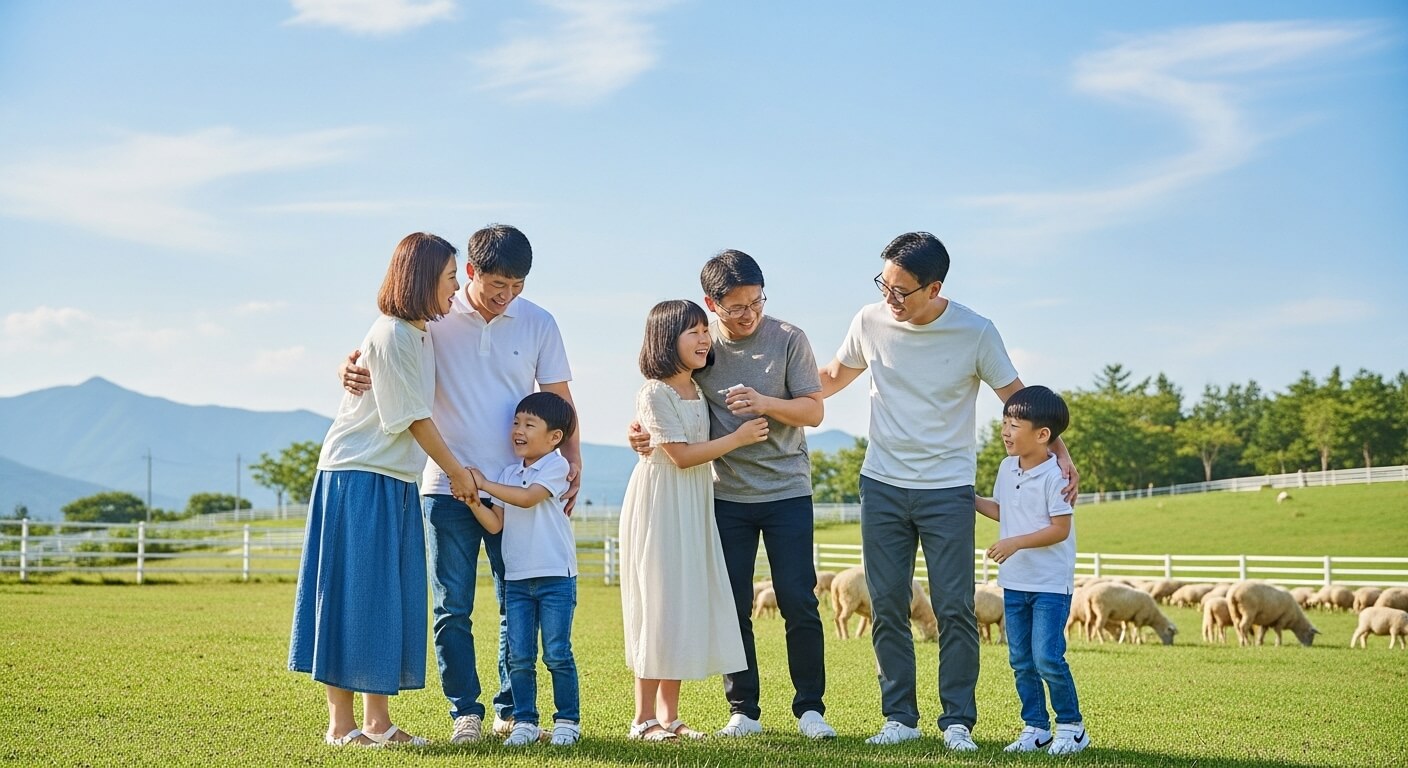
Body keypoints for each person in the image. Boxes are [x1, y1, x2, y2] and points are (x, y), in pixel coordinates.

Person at [819, 232, 1079, 751]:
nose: (889, 299)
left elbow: (1019, 398)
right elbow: (829, 377)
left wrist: (1062, 452)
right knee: (889, 604)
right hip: (883, 485)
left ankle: (957, 721)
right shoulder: (868, 321)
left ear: (934, 287)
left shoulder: (976, 332)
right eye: (884, 286)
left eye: (902, 291)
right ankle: (900, 718)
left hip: (947, 490)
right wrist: (765, 393)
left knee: (955, 607)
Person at [340, 224, 581, 744]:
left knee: (513, 600)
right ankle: (464, 714)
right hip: (443, 484)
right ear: (470, 272)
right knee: (453, 607)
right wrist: (353, 369)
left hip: (512, 488)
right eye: (497, 283)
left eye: (517, 286)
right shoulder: (438, 315)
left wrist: (571, 461)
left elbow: (559, 400)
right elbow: (386, 352)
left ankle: (510, 712)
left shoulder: (539, 322)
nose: (505, 295)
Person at [628, 250, 834, 739]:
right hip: (724, 495)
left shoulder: (788, 339)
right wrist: (639, 433)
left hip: (786, 489)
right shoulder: (700, 346)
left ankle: (810, 709)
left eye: (756, 302)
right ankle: (743, 709)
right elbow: (664, 399)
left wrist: (765, 404)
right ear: (711, 303)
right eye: (737, 306)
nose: (749, 314)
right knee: (733, 602)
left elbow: (814, 412)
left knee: (797, 599)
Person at [289, 232, 478, 747]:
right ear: (421, 279)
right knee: (354, 596)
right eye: (447, 278)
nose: (455, 286)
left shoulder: (416, 333)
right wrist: (458, 474)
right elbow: (413, 418)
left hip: (392, 479)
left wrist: (347, 363)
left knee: (382, 599)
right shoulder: (393, 333)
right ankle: (342, 726)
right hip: (358, 476)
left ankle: (376, 723)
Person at [619, 299, 768, 742]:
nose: (705, 338)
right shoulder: (654, 391)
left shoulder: (696, 389)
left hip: (692, 504)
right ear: (667, 339)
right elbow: (680, 456)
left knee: (680, 604)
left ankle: (669, 716)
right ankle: (642, 718)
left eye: (706, 330)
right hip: (662, 503)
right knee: (659, 603)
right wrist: (739, 439)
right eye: (694, 331)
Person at [461, 392, 583, 748]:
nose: (518, 430)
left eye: (529, 424)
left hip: (556, 577)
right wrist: (472, 499)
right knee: (520, 656)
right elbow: (496, 524)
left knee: (557, 652)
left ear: (554, 437)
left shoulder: (556, 466)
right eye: (516, 422)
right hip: (516, 579)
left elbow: (528, 498)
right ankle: (525, 721)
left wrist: (482, 483)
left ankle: (567, 720)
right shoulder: (508, 473)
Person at [975, 385, 1090, 755]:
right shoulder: (1007, 468)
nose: (1005, 431)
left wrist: (1014, 543)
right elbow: (1004, 511)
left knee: (1047, 658)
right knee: (1020, 659)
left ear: (1043, 435)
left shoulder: (1056, 476)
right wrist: (969, 498)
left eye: (1014, 424)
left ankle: (1072, 728)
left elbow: (1060, 529)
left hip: (1049, 586)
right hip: (1014, 582)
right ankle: (1035, 728)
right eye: (1004, 422)